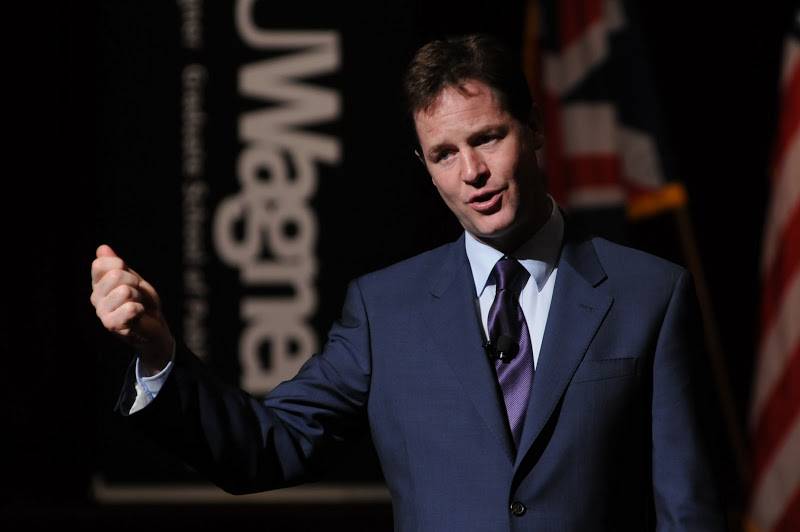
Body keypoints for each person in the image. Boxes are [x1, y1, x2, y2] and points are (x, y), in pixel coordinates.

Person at [90, 34, 725, 531]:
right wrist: (160, 354)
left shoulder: (649, 294)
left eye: (487, 138)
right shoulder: (384, 309)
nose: (471, 172)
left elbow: (688, 509)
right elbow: (268, 447)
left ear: (533, 128)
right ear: (424, 164)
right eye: (445, 154)